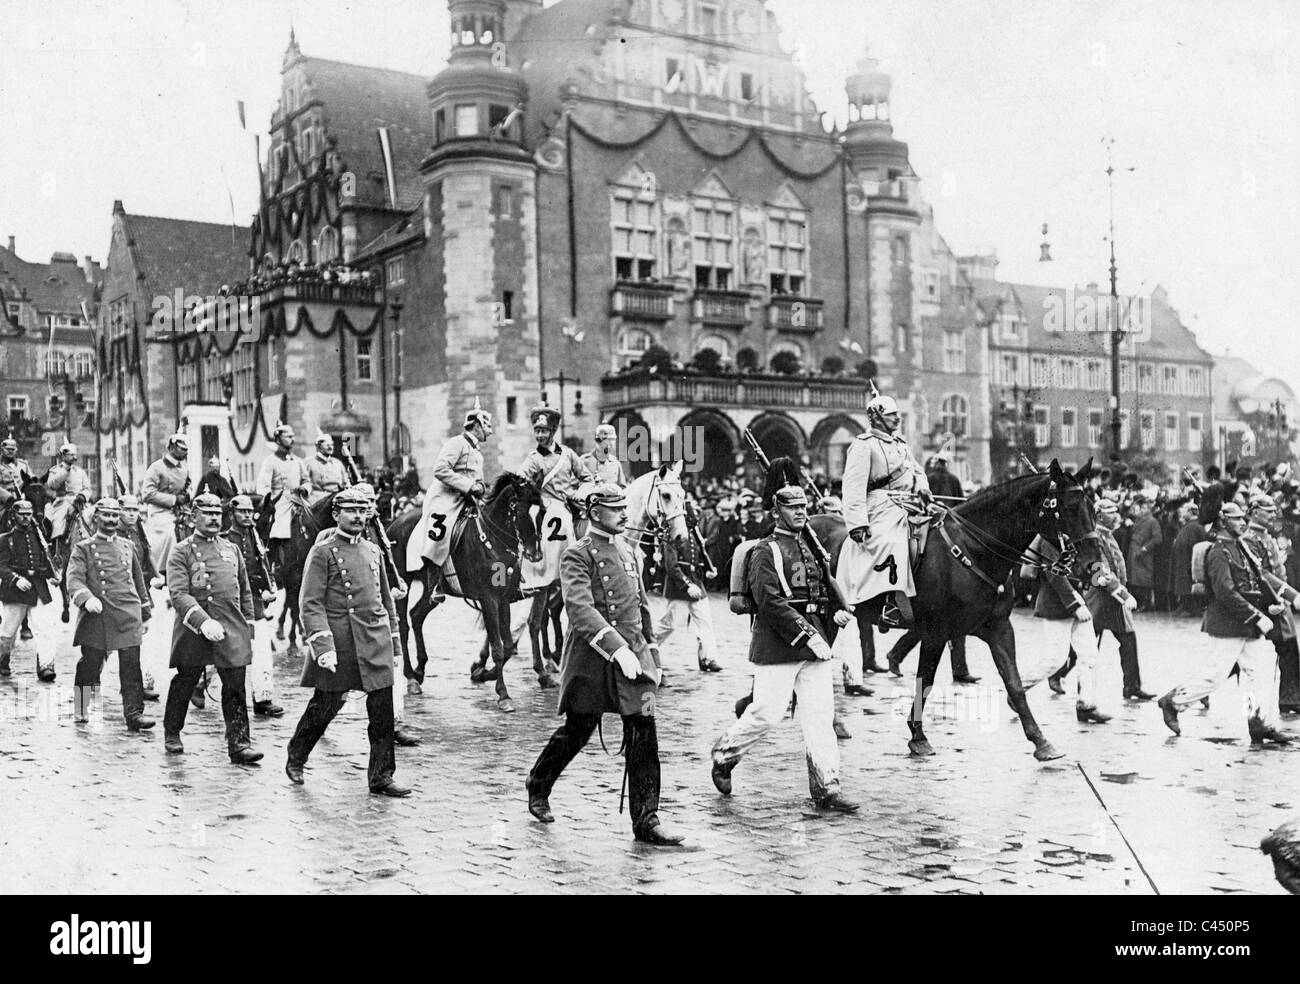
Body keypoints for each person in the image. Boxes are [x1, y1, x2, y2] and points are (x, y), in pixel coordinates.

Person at [525, 482, 684, 845]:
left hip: (635, 659)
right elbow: (580, 610)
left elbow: (642, 607)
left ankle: (647, 819)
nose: (625, 514)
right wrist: (616, 648)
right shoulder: (576, 554)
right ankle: (538, 783)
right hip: (593, 660)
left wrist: (653, 655)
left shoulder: (628, 551)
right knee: (578, 730)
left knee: (644, 731)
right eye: (617, 509)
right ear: (596, 513)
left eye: (626, 508)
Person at [710, 481, 859, 812]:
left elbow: (820, 591)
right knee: (767, 712)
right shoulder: (766, 550)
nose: (801, 512)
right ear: (775, 512)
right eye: (793, 507)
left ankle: (827, 786)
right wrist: (808, 634)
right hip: (778, 643)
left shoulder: (808, 548)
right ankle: (724, 754)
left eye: (804, 506)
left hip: (814, 641)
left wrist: (835, 611)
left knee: (820, 715)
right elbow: (770, 601)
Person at [286, 487, 410, 795]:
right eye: (351, 510)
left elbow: (385, 600)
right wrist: (322, 646)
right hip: (341, 642)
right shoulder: (323, 552)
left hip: (374, 639)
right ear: (336, 514)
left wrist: (394, 641)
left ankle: (381, 776)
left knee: (381, 713)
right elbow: (310, 602)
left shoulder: (373, 550)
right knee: (326, 705)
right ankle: (296, 755)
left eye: (362, 510)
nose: (357, 516)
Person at [1158, 502, 1291, 743]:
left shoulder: (1238, 547)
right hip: (1227, 624)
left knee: (1254, 674)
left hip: (1245, 623)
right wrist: (1256, 616)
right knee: (1215, 675)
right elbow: (1225, 592)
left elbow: (1250, 584)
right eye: (1236, 518)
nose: (1242, 522)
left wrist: (1267, 606)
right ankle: (1173, 702)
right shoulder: (1219, 552)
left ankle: (1257, 721)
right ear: (1223, 522)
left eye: (1243, 518)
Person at [161, 493, 263, 764]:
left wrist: (248, 625)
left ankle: (239, 743)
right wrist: (202, 621)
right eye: (207, 513)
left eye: (218, 513)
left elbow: (244, 590)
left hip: (230, 626)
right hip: (195, 628)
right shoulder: (181, 550)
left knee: (235, 685)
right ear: (194, 516)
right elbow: (179, 593)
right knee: (185, 681)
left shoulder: (232, 549)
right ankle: (172, 731)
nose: (214, 518)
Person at [836, 394, 931, 629]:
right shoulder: (863, 445)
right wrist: (857, 523)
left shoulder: (902, 445)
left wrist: (923, 488)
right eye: (891, 415)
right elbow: (853, 486)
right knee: (891, 541)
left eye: (898, 414)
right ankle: (891, 602)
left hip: (908, 502)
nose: (898, 418)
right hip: (879, 505)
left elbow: (917, 472)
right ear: (876, 417)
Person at [1046, 498, 1152, 701]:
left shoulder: (1108, 536)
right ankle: (1059, 675)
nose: (1116, 515)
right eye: (1111, 511)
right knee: (1086, 647)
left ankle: (1132, 686)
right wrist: (1123, 594)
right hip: (1099, 599)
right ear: (1100, 515)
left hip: (1115, 601)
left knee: (1129, 641)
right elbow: (1098, 570)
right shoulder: (1095, 538)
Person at [66, 498, 153, 728]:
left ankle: (134, 713)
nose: (112, 520)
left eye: (115, 516)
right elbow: (74, 580)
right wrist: (86, 598)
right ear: (96, 517)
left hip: (127, 612)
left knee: (131, 664)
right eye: (107, 515)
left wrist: (145, 610)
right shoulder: (83, 548)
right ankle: (81, 706)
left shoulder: (127, 545)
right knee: (91, 663)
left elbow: (138, 579)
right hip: (98, 613)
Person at [1022, 531, 1112, 724]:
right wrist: (1074, 605)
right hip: (1056, 604)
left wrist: (1098, 577)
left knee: (1089, 656)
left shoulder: (1079, 535)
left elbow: (1088, 567)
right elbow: (1055, 574)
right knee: (1055, 659)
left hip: (1078, 601)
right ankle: (1017, 689)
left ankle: (1086, 705)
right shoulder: (1051, 537)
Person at [408, 403, 490, 575]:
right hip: (445, 498)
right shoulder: (456, 443)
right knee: (440, 531)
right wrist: (468, 486)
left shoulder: (478, 452)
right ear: (476, 426)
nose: (490, 431)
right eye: (487, 426)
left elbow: (478, 479)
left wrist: (481, 486)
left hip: (468, 500)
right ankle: (434, 577)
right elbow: (440, 470)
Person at [518, 405, 592, 589]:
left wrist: (577, 493)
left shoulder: (568, 454)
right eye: (537, 431)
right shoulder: (534, 458)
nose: (540, 436)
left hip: (571, 504)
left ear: (553, 431)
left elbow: (587, 477)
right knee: (561, 521)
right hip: (548, 506)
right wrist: (535, 494)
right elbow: (520, 480)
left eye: (543, 431)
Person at [1240, 493, 1300, 716]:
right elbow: (1260, 573)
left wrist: (1283, 595)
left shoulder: (1267, 537)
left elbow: (1278, 571)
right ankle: (1203, 688)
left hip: (1276, 601)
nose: (1274, 514)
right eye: (1269, 510)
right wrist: (1289, 594)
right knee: (1237, 654)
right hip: (1261, 602)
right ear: (1255, 512)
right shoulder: (1249, 540)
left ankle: (1290, 699)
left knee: (1289, 646)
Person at [226, 494, 284, 718]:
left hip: (254, 601)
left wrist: (268, 586)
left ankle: (262, 698)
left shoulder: (254, 536)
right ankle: (201, 685)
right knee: (227, 650)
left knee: (261, 648)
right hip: (233, 600)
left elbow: (262, 564)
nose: (247, 516)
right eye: (242, 512)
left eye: (250, 512)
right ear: (232, 514)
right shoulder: (227, 538)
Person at [653, 499, 721, 673]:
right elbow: (671, 566)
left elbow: (702, 552)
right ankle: (648, 649)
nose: (694, 517)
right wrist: (687, 585)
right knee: (670, 624)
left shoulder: (694, 533)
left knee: (705, 622)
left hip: (697, 583)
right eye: (691, 514)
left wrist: (709, 568)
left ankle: (708, 658)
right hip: (679, 588)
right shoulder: (672, 534)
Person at [0, 499, 56, 679]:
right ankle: (3, 660)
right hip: (15, 590)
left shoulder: (40, 537)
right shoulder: (5, 539)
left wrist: (53, 575)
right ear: (13, 515)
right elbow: (2, 566)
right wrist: (15, 579)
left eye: (29, 514)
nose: (26, 518)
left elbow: (45, 562)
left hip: (38, 587)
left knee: (45, 627)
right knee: (8, 630)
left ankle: (46, 666)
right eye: (21, 514)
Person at [117, 494, 160, 701]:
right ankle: (85, 698)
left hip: (139, 591)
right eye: (128, 510)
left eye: (136, 511)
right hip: (115, 597)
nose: (133, 514)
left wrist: (157, 575)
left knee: (141, 642)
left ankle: (140, 687)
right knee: (98, 653)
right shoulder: (109, 535)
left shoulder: (138, 532)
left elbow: (146, 557)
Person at [256, 423, 311, 568]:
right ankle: (278, 560)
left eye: (293, 436)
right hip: (279, 502)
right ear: (278, 439)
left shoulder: (298, 461)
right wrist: (268, 500)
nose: (292, 439)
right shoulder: (270, 461)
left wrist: (304, 489)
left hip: (298, 500)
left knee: (314, 519)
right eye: (288, 436)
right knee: (281, 526)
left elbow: (307, 480)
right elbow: (263, 485)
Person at [139, 432, 193, 575]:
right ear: (172, 447)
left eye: (187, 450)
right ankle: (162, 570)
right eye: (182, 449)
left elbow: (188, 486)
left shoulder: (185, 468)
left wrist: (187, 495)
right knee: (169, 534)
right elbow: (147, 494)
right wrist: (174, 500)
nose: (185, 452)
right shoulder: (156, 467)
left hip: (181, 511)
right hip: (160, 511)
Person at [44, 443, 90, 541]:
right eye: (71, 455)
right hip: (62, 502)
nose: (74, 457)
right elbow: (52, 485)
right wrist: (65, 470)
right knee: (58, 523)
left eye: (75, 454)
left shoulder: (80, 471)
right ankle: (58, 544)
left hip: (79, 501)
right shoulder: (55, 470)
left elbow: (87, 488)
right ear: (64, 455)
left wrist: (82, 496)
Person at [1171, 500, 1208, 616]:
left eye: (1185, 510)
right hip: (1183, 560)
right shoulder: (1188, 526)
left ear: (1191, 512)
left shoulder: (1196, 527)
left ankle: (1191, 608)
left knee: (1188, 585)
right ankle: (1184, 605)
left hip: (1189, 562)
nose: (1182, 513)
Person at [304, 432, 350, 505]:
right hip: (316, 501)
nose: (330, 447)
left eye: (332, 445)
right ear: (318, 446)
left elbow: (345, 483)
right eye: (327, 445)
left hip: (336, 499)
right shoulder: (308, 463)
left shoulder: (338, 463)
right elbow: (304, 483)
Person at [578, 422, 626, 487]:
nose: (609, 444)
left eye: (612, 440)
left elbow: (622, 488)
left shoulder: (616, 464)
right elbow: (573, 488)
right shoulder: (584, 462)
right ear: (597, 442)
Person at [0, 436, 32, 509]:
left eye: (13, 449)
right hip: (2, 503)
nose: (10, 451)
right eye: (7, 449)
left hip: (22, 503)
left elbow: (32, 482)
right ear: (2, 450)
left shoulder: (23, 465)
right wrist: (7, 497)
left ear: (16, 450)